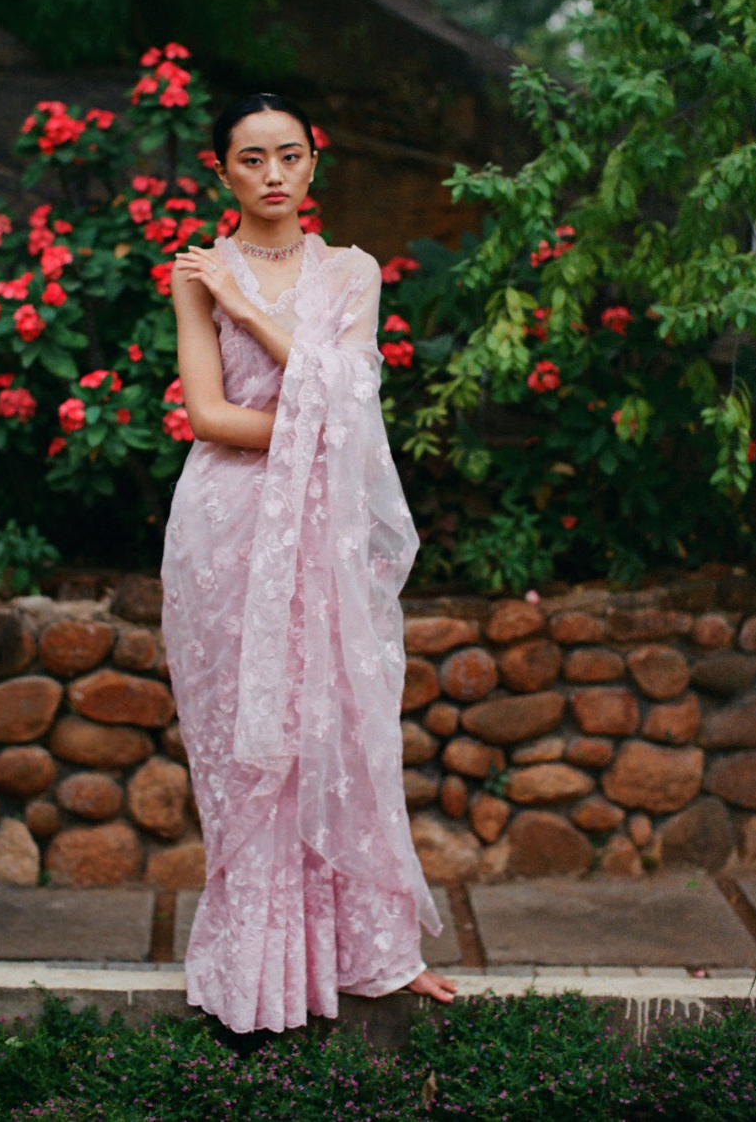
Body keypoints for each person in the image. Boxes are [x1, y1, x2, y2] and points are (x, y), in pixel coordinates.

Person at [160, 92, 457, 1034]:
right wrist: (313, 418)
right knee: (245, 753)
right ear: (222, 171)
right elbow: (210, 417)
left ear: (314, 162)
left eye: (290, 155)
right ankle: (255, 966)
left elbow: (355, 401)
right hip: (224, 535)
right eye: (252, 159)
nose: (274, 174)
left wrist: (247, 306)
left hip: (319, 537)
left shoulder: (354, 273)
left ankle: (366, 953)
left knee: (334, 733)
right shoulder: (194, 273)